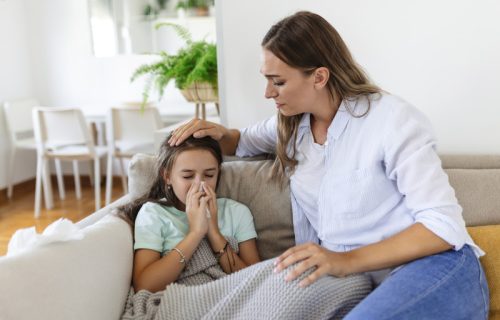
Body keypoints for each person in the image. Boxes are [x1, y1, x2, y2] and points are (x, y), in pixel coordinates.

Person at [167, 10, 489, 319]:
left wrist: (343, 261)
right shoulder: (293, 127)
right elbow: (242, 141)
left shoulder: (392, 121)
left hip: (432, 267)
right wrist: (209, 132)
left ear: (319, 77)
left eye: (277, 81)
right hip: (358, 282)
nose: (267, 92)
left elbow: (442, 227)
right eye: (266, 79)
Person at [120, 134, 260, 293]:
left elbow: (257, 280)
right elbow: (145, 286)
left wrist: (213, 232)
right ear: (167, 176)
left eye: (209, 175)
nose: (200, 185)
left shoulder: (237, 212)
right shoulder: (153, 214)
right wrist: (196, 233)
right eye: (187, 176)